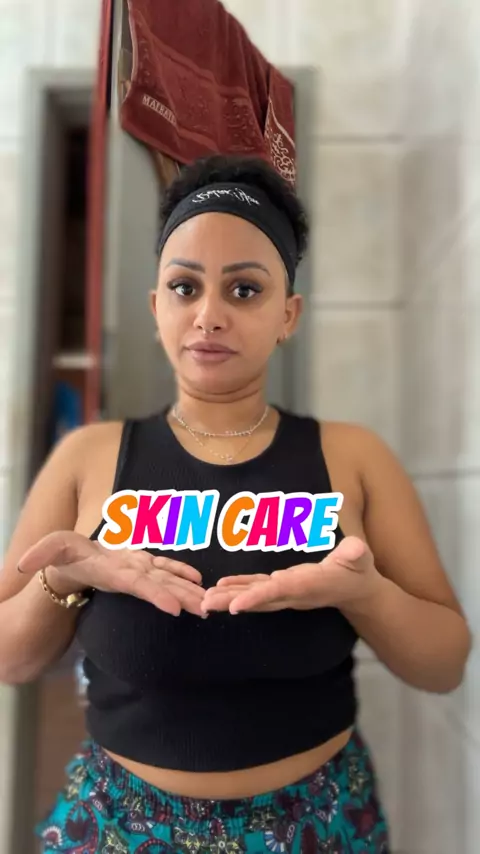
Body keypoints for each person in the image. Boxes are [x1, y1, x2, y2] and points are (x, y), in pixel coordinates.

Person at [0, 155, 471, 854]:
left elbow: (443, 663)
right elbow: (10, 661)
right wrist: (64, 576)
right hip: (116, 825)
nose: (209, 316)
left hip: (318, 824)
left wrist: (365, 594)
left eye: (244, 290)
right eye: (184, 287)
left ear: (288, 315)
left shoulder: (355, 458)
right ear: (157, 307)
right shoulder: (86, 458)